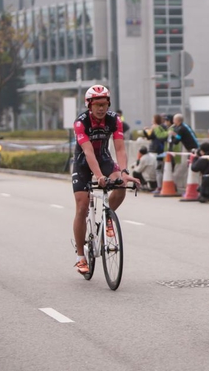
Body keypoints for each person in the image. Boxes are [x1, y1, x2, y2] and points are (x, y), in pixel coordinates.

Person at [71, 84, 140, 274]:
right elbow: (88, 152)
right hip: (83, 162)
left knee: (120, 184)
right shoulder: (81, 123)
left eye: (104, 104)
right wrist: (99, 176)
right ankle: (80, 256)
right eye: (97, 105)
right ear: (89, 105)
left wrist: (124, 171)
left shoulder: (114, 119)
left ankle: (107, 217)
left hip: (104, 158)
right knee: (82, 206)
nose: (101, 108)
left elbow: (120, 148)